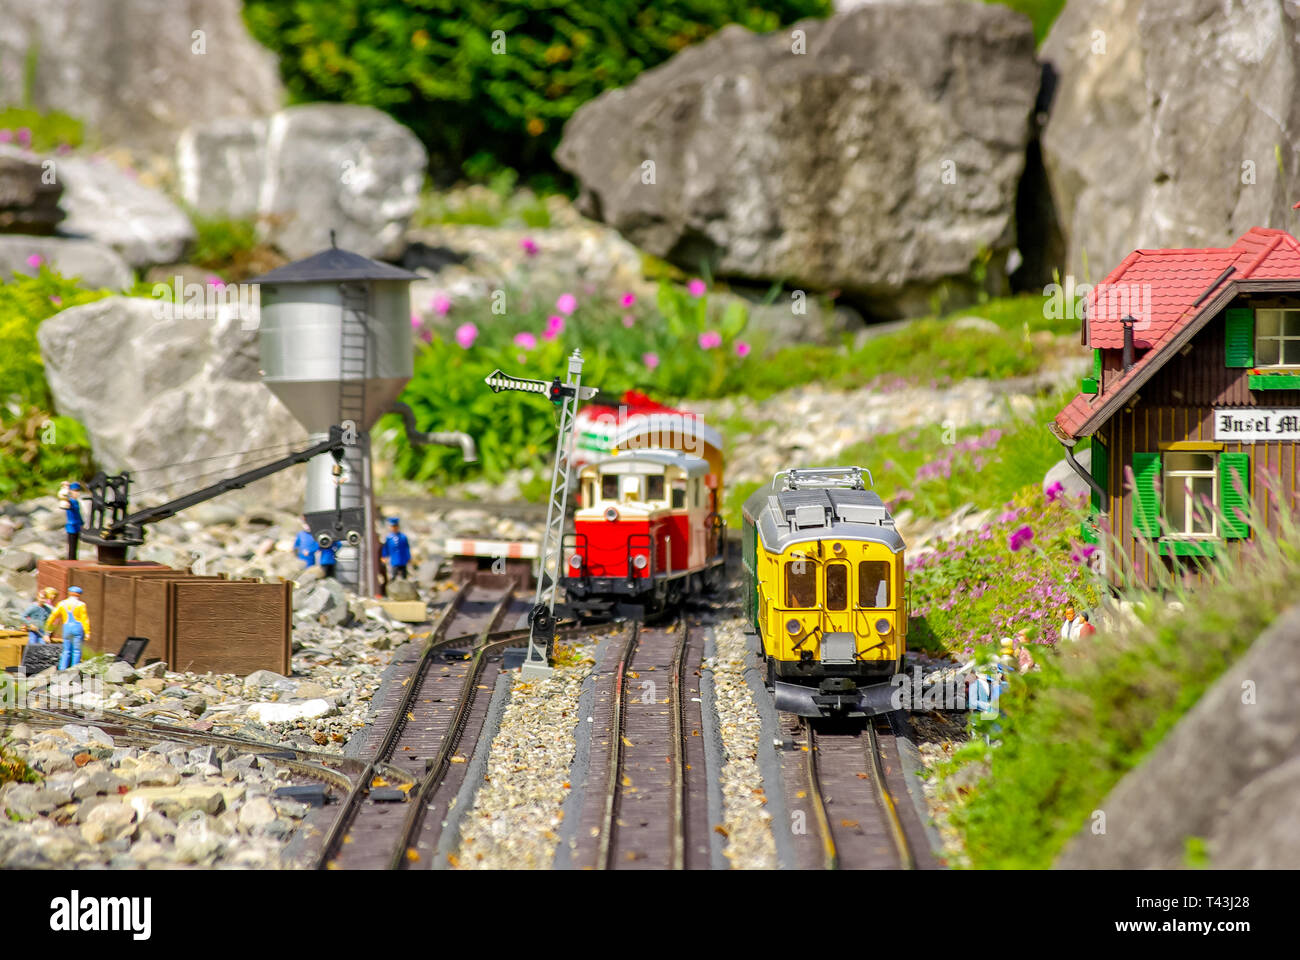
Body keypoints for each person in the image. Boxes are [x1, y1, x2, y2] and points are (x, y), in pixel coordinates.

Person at [45, 585, 90, 669]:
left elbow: (52, 616)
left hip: (67, 628)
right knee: (76, 651)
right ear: (79, 595)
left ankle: (62, 669)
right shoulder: (81, 605)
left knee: (66, 650)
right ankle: (74, 669)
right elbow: (85, 619)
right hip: (77, 628)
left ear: (69, 593)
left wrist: (47, 628)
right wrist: (87, 632)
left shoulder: (62, 604)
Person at [59, 481, 84, 561]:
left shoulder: (76, 502)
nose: (77, 493)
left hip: (77, 525)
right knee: (72, 545)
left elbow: (78, 514)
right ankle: (71, 559)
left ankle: (74, 559)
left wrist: (81, 522)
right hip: (71, 526)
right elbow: (63, 500)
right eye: (75, 491)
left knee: (75, 545)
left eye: (78, 491)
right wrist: (65, 487)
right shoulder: (70, 501)